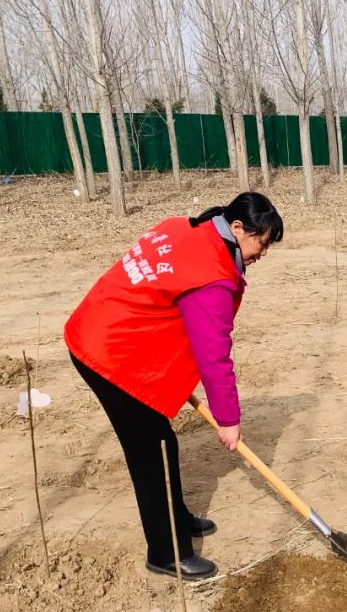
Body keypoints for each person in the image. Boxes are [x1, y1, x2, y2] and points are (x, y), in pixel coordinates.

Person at [64, 192, 284, 580]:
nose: (262, 253)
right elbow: (213, 354)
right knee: (150, 453)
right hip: (107, 354)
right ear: (236, 228)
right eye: (261, 243)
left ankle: (176, 517)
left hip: (108, 330)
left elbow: (161, 299)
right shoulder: (212, 276)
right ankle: (166, 554)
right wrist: (228, 419)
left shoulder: (186, 228)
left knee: (163, 441)